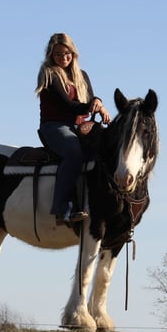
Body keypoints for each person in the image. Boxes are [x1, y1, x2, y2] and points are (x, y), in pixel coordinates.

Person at [35, 33, 111, 225]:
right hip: (55, 126)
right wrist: (95, 105)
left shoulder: (81, 75)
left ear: (73, 54)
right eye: (58, 54)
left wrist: (98, 103)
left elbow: (91, 97)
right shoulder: (49, 74)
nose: (63, 58)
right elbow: (67, 105)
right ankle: (61, 209)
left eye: (67, 53)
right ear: (51, 54)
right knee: (73, 152)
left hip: (79, 126)